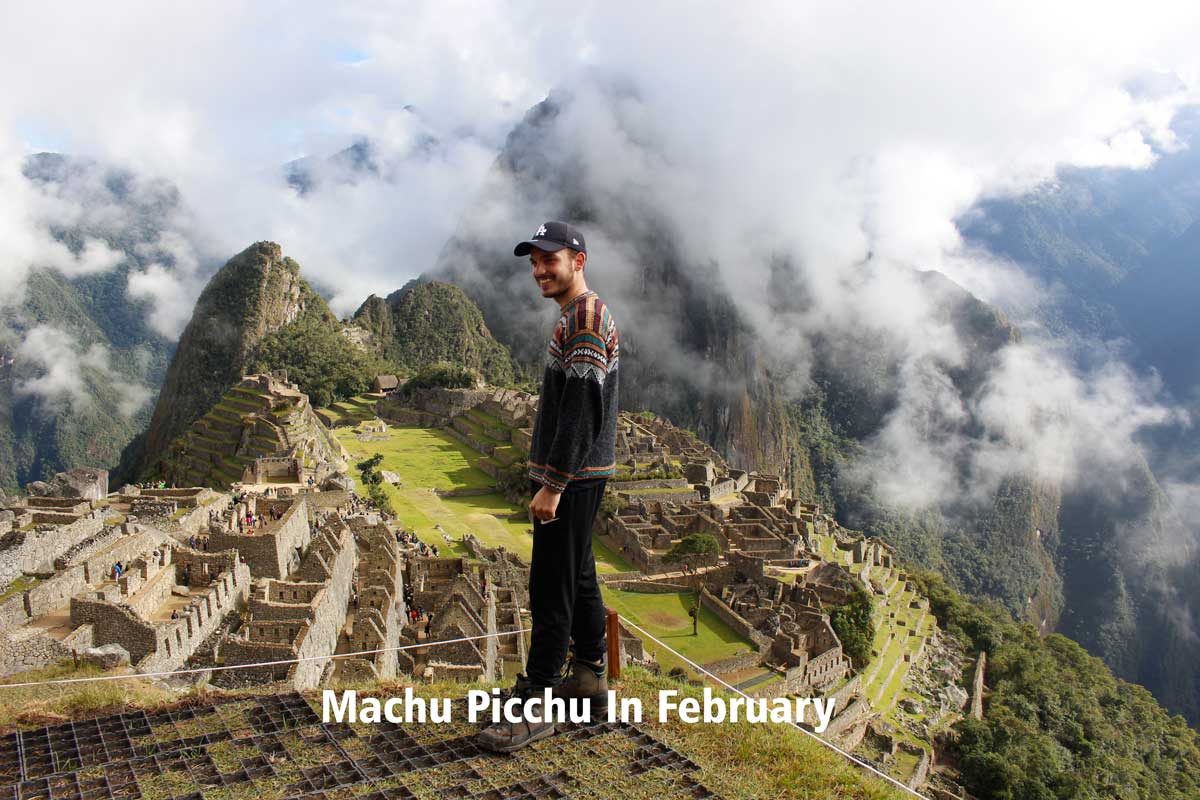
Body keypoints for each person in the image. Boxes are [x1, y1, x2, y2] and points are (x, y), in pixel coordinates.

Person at [477, 221, 619, 753]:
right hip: (584, 474)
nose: (539, 271)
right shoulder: (579, 315)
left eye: (549, 260)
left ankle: (533, 704)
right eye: (533, 262)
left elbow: (581, 411)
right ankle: (589, 680)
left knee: (550, 585)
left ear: (577, 261)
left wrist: (553, 485)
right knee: (579, 576)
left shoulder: (584, 318)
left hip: (574, 478)